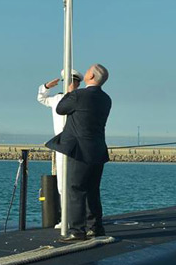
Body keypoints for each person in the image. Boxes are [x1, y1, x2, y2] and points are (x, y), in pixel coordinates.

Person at [45, 64, 112, 241]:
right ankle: (95, 227)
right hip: (97, 149)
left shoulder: (78, 95)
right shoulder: (106, 99)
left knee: (75, 188)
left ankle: (77, 230)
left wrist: (69, 92)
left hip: (80, 150)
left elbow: (61, 109)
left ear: (91, 77)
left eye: (88, 70)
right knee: (92, 190)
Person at [37, 69, 83, 229]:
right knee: (62, 184)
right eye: (68, 81)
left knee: (76, 182)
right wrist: (46, 86)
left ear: (77, 83)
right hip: (62, 144)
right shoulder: (57, 99)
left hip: (77, 144)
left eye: (73, 81)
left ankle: (78, 218)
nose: (70, 84)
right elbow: (41, 98)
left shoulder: (81, 99)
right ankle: (66, 218)